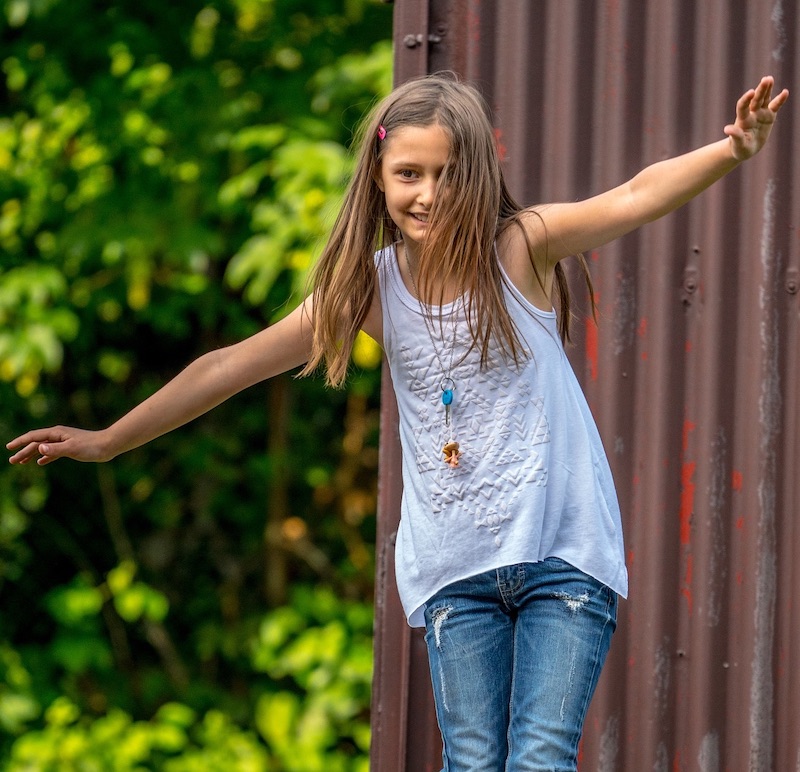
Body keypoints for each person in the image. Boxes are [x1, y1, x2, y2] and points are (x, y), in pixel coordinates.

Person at [7, 72, 789, 770]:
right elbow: (230, 365)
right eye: (408, 174)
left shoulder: (519, 248)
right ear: (378, 179)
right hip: (454, 573)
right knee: (474, 760)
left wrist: (731, 152)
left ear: (477, 176)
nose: (429, 195)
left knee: (541, 757)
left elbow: (630, 196)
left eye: (448, 176)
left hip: (562, 554)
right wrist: (109, 439)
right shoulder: (369, 291)